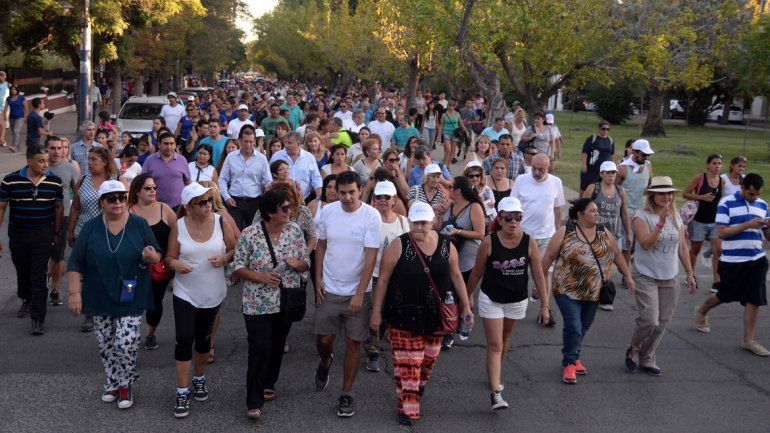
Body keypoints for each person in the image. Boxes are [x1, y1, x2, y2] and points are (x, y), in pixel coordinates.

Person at [370, 202, 474, 426]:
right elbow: (384, 280)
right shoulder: (399, 245)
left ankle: (418, 384)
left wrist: (466, 306)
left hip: (436, 316)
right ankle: (408, 409)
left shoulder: (447, 246)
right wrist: (376, 313)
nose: (419, 227)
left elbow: (456, 276)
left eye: (424, 223)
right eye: (415, 223)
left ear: (433, 222)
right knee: (409, 363)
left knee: (428, 358)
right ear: (409, 223)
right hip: (402, 315)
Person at [66, 180, 161, 409]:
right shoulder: (90, 227)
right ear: (102, 202)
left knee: (126, 342)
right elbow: (75, 262)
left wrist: (151, 256)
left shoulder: (138, 224)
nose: (117, 202)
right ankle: (112, 380)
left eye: (121, 197)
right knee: (106, 342)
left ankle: (126, 383)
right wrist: (74, 293)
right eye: (111, 198)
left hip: (132, 292)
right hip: (99, 293)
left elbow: (157, 254)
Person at [231, 189, 310, 419]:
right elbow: (237, 266)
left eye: (289, 207)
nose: (289, 212)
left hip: (286, 300)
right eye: (284, 208)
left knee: (277, 344)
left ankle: (269, 381)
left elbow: (306, 262)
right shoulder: (250, 233)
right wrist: (261, 277)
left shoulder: (295, 230)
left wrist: (297, 263)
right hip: (257, 303)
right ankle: (253, 402)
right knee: (259, 347)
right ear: (269, 212)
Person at [466, 197, 549, 410]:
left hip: (516, 300)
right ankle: (496, 392)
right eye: (509, 218)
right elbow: (476, 273)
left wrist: (545, 305)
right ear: (500, 219)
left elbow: (539, 275)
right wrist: (466, 299)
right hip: (491, 298)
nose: (514, 222)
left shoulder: (528, 242)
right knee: (495, 345)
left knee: (505, 338)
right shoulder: (489, 241)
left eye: (518, 218)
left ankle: (495, 373)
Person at [541, 198, 634, 384]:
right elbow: (549, 256)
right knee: (574, 326)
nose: (597, 214)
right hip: (566, 290)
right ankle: (569, 363)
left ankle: (574, 356)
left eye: (597, 210)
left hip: (594, 291)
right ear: (580, 214)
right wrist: (538, 282)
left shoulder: (604, 232)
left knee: (583, 327)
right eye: (592, 211)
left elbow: (616, 254)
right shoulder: (565, 232)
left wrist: (628, 275)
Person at [313, 171, 381, 417]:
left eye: (352, 192)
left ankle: (346, 393)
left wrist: (360, 294)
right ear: (336, 192)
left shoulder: (371, 216)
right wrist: (318, 278)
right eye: (342, 192)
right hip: (329, 289)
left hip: (357, 292)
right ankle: (325, 361)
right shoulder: (328, 211)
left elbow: (371, 256)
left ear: (360, 189)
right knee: (323, 339)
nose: (347, 197)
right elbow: (321, 246)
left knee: (354, 344)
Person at [165, 183, 235, 417]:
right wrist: (176, 265)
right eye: (202, 202)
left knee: (204, 342)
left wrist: (225, 257)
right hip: (185, 291)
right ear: (189, 207)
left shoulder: (220, 221)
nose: (208, 205)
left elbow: (235, 248)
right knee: (184, 339)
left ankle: (199, 377)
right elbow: (169, 258)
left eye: (208, 200)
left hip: (213, 292)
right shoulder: (179, 226)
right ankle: (182, 391)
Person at [626, 176, 697, 375]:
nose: (666, 197)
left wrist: (690, 274)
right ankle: (634, 348)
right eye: (661, 193)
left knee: (663, 322)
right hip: (646, 274)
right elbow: (646, 244)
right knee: (650, 319)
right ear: (652, 195)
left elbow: (682, 248)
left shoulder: (676, 216)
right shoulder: (641, 216)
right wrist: (661, 222)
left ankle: (647, 357)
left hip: (670, 276)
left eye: (669, 193)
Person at [694, 173, 770, 357]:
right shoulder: (726, 203)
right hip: (732, 261)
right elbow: (721, 233)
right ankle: (702, 310)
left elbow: (767, 236)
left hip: (757, 259)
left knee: (755, 299)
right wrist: (747, 224)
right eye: (751, 194)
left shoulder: (763, 205)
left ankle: (748, 340)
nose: (755, 197)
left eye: (757, 194)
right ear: (743, 188)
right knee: (726, 295)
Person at [0, 144, 63, 334]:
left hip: (43, 233)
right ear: (28, 160)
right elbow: (1, 207)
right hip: (18, 234)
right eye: (41, 161)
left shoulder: (54, 182)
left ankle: (38, 318)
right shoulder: (10, 181)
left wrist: (57, 232)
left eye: (47, 161)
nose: (46, 164)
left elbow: (59, 207)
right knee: (23, 271)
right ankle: (26, 299)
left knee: (38, 274)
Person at [363, 180, 410, 372]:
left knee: (387, 313)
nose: (382, 200)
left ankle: (380, 339)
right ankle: (373, 350)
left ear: (394, 200)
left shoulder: (402, 221)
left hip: (396, 277)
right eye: (378, 197)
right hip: (373, 275)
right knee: (375, 310)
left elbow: (409, 247)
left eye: (386, 197)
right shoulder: (368, 220)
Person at [127, 174, 177, 350]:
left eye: (155, 187)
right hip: (132, 269)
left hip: (159, 269)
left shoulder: (165, 209)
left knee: (155, 303)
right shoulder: (128, 211)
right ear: (137, 192)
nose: (153, 191)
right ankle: (128, 334)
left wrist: (172, 259)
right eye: (148, 188)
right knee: (129, 300)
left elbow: (177, 234)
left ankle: (150, 334)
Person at [437, 176, 486, 349]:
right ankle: (448, 330)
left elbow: (480, 234)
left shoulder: (474, 207)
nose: (447, 190)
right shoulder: (450, 206)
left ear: (457, 190)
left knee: (462, 292)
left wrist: (458, 231)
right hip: (450, 255)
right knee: (450, 293)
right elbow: (439, 229)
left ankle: (462, 321)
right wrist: (441, 214)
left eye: (450, 188)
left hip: (468, 257)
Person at [509, 154, 565, 299]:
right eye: (534, 168)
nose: (536, 172)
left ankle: (545, 309)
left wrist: (558, 233)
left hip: (547, 236)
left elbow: (558, 209)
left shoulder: (556, 182)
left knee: (545, 272)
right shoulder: (521, 180)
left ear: (549, 168)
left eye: (541, 169)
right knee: (517, 271)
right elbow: (513, 206)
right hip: (524, 236)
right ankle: (514, 301)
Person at [582, 161, 631, 311]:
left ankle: (603, 296)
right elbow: (582, 207)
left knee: (607, 268)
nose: (611, 175)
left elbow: (624, 213)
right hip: (593, 234)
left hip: (613, 235)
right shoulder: (594, 188)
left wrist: (628, 233)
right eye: (608, 172)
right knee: (591, 264)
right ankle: (587, 293)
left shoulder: (620, 191)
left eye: (614, 172)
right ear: (601, 174)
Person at [682, 154, 725, 293]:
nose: (717, 166)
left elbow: (719, 200)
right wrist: (701, 197)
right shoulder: (699, 178)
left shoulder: (722, 181)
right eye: (714, 163)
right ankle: (690, 275)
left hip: (714, 221)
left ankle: (717, 281)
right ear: (707, 165)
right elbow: (685, 194)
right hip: (699, 220)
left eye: (719, 163)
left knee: (718, 251)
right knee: (695, 250)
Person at [45, 137, 80, 307]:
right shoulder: (40, 166)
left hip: (64, 216)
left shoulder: (70, 168)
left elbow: (78, 194)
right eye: (52, 148)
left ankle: (55, 289)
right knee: (41, 253)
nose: (56, 151)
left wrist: (76, 220)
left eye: (59, 148)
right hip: (41, 217)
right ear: (47, 149)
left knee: (58, 255)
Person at [218, 126, 273, 230]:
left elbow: (268, 181)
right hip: (234, 201)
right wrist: (226, 197)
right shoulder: (231, 157)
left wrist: (267, 193)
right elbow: (223, 179)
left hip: (254, 202)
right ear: (239, 140)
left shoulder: (262, 158)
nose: (248, 145)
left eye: (251, 142)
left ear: (255, 141)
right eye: (245, 141)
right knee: (235, 232)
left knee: (253, 233)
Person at [616, 139, 654, 265]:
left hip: (642, 214)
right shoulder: (622, 168)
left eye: (647, 155)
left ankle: (638, 270)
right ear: (634, 152)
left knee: (641, 244)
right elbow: (614, 190)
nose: (646, 157)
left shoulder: (648, 166)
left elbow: (650, 186)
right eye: (643, 154)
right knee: (627, 245)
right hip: (626, 214)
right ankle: (626, 275)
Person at [270, 131, 323, 202]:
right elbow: (270, 177)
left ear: (298, 144)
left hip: (304, 200)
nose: (286, 145)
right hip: (280, 200)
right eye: (285, 142)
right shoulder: (276, 156)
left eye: (289, 143)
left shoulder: (309, 157)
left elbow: (316, 178)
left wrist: (319, 197)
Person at [580, 121, 614, 192]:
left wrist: (613, 167)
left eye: (607, 129)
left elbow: (612, 154)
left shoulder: (610, 140)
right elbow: (585, 152)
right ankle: (581, 202)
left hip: (604, 171)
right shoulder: (592, 139)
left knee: (601, 189)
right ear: (599, 129)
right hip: (591, 169)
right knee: (585, 188)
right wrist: (584, 164)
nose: (605, 131)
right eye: (603, 129)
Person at [435, 98, 468, 166]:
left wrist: (466, 131)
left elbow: (461, 124)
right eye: (450, 105)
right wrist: (439, 135)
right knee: (448, 149)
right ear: (447, 105)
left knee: (453, 151)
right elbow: (441, 126)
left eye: (453, 105)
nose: (452, 107)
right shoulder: (444, 115)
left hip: (455, 134)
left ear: (455, 106)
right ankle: (444, 164)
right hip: (446, 133)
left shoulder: (457, 114)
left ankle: (448, 166)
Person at [4, 85, 26, 152]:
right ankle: (18, 148)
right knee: (14, 132)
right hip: (11, 117)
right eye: (12, 89)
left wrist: (26, 116)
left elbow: (25, 107)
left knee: (16, 131)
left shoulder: (21, 98)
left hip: (20, 117)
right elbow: (5, 108)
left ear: (17, 90)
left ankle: (14, 146)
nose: (13, 90)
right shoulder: (8, 98)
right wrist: (5, 116)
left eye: (15, 89)